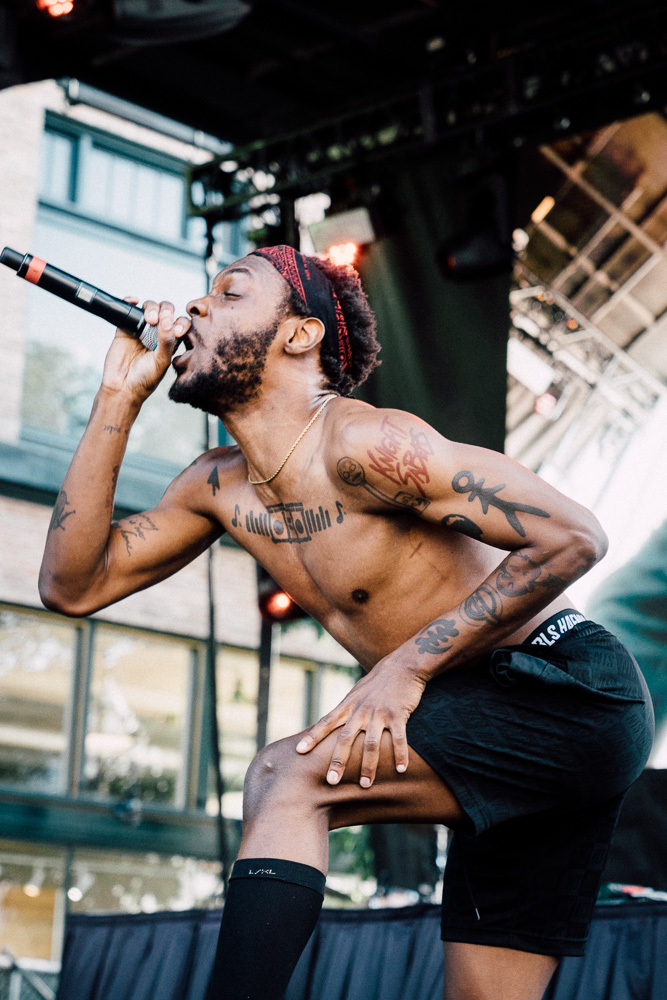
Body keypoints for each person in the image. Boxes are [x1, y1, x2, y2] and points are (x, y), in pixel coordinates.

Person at [39, 245, 654, 1000]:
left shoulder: (366, 445)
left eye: (230, 293)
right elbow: (72, 587)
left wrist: (405, 667)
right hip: (481, 715)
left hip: (563, 690)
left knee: (286, 775)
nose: (196, 307)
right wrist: (115, 398)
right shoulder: (214, 486)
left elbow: (573, 536)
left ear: (298, 335)